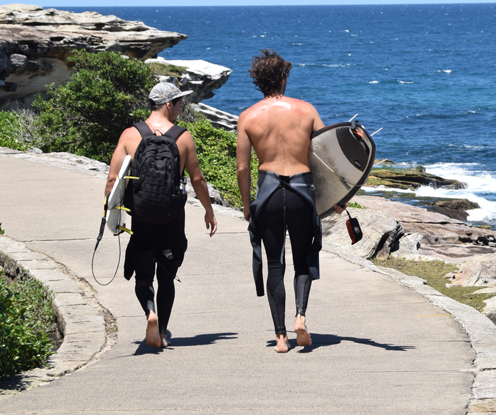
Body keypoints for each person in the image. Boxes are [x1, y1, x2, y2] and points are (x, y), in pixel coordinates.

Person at [236, 49, 339, 353]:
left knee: (274, 264)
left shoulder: (247, 117)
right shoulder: (306, 110)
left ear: (259, 82)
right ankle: (300, 317)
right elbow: (327, 156)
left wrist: (246, 205)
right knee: (303, 259)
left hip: (267, 192)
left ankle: (281, 337)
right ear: (284, 77)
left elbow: (242, 167)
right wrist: (337, 196)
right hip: (301, 191)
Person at [105, 81, 218, 349]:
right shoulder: (183, 137)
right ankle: (163, 331)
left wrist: (112, 215)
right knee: (167, 276)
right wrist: (208, 211)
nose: (180, 108)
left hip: (141, 218)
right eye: (179, 104)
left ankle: (149, 313)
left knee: (144, 275)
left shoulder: (130, 135)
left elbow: (112, 179)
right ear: (168, 105)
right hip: (171, 220)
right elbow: (198, 179)